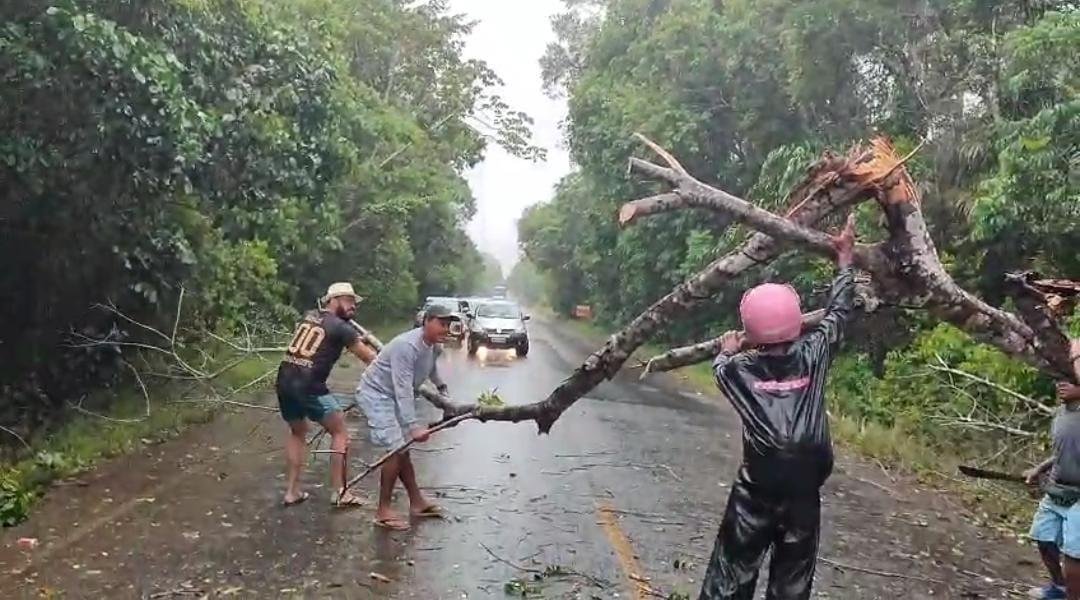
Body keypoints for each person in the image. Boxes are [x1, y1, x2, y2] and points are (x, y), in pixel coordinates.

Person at [699, 215, 857, 600]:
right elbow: (838, 314)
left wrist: (726, 350)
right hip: (805, 492)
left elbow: (719, 368)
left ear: (751, 331)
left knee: (732, 573)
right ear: (795, 321)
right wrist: (845, 261)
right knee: (792, 582)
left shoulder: (737, 371)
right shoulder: (814, 353)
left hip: (755, 493)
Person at [354, 304, 456, 531]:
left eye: (448, 324)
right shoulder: (406, 346)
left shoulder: (433, 347)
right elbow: (402, 388)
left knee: (402, 449)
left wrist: (443, 391)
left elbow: (430, 370)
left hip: (393, 395)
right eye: (441, 323)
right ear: (426, 321)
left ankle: (417, 502)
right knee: (395, 448)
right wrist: (412, 425)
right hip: (376, 394)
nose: (445, 328)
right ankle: (382, 511)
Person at [275, 282, 377, 508]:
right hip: (309, 385)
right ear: (332, 301)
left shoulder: (310, 316)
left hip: (284, 380)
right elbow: (370, 359)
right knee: (340, 430)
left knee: (298, 431)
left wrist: (358, 338)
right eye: (348, 301)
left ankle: (292, 492)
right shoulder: (342, 328)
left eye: (354, 303)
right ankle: (340, 492)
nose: (353, 307)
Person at [1024, 340, 1080, 600]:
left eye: (1069, 380)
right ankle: (1059, 588)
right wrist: (1039, 468)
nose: (1062, 385)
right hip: (1057, 489)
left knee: (1074, 553)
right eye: (1060, 380)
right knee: (1044, 539)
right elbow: (1061, 450)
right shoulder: (1061, 413)